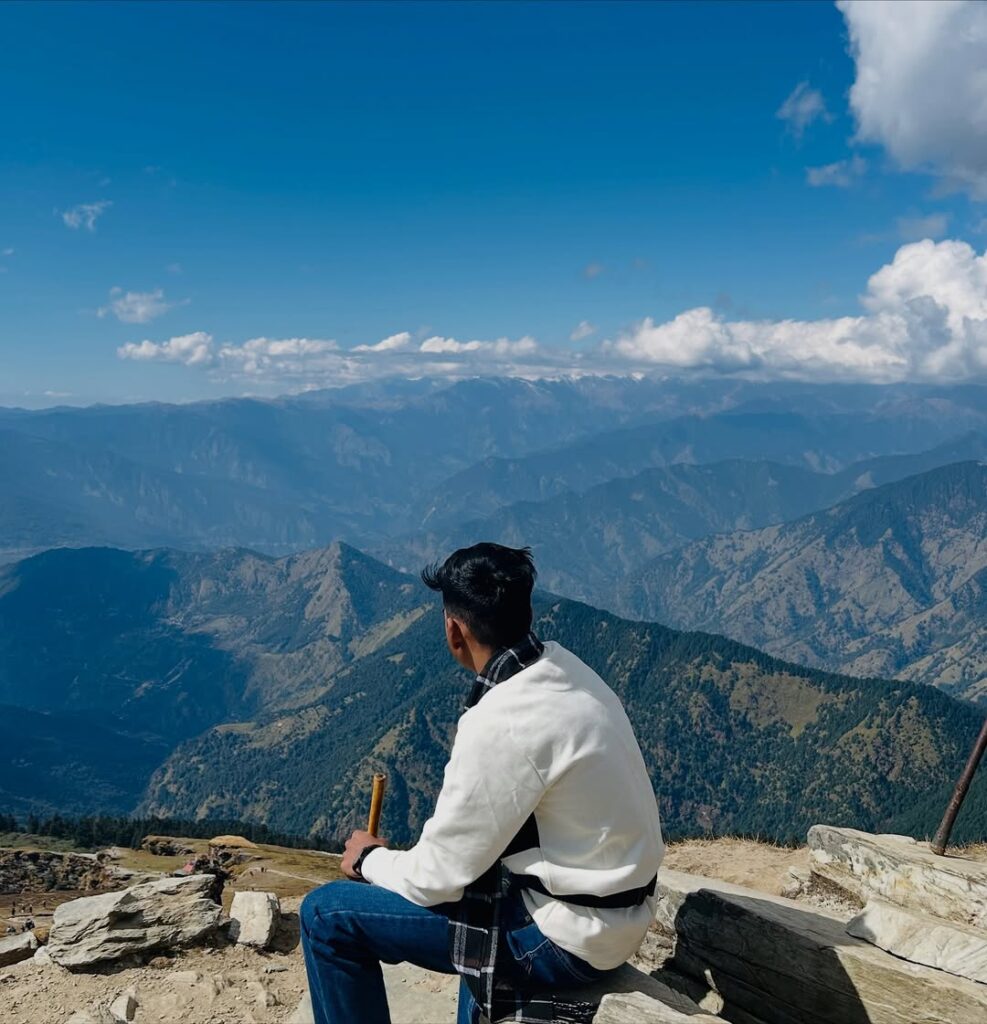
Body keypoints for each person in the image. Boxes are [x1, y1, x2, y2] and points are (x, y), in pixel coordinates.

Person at [301, 543, 663, 1024]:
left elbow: (437, 878)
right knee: (478, 893)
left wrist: (369, 858)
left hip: (568, 939)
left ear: (454, 629)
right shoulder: (567, 668)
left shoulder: (503, 720)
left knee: (326, 916)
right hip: (618, 914)